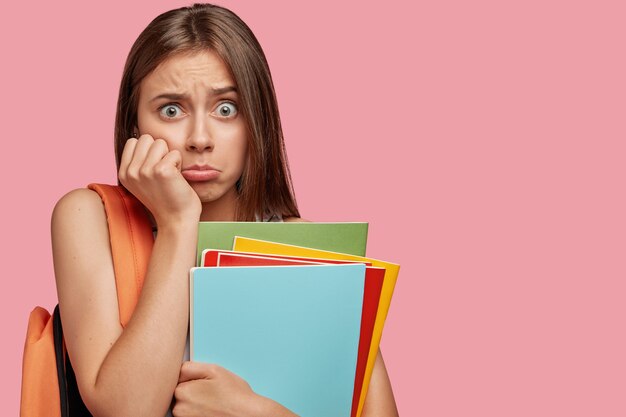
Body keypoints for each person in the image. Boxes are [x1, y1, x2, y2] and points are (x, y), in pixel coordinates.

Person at [51, 3, 399, 416]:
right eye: (171, 110)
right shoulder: (89, 217)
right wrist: (178, 222)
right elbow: (126, 409)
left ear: (258, 122)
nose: (200, 138)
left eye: (226, 109)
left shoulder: (308, 249)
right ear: (134, 125)